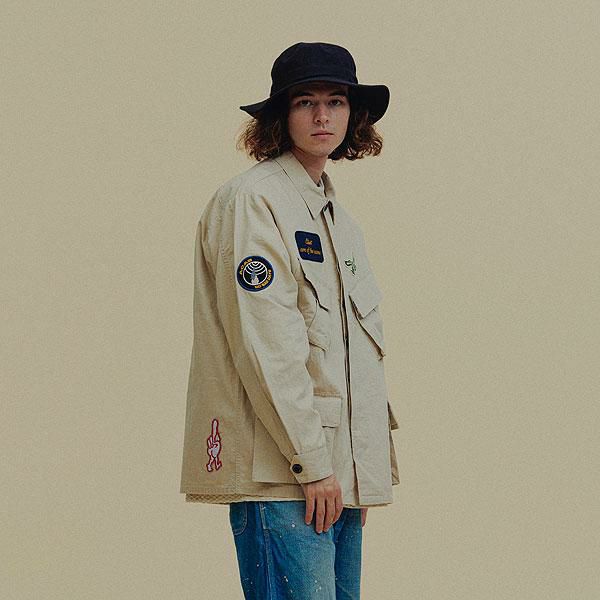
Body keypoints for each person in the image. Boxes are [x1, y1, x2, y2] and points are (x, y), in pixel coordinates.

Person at [179, 41, 400, 599]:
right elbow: (267, 346)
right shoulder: (254, 201)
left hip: (333, 479)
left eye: (336, 101)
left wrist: (355, 476)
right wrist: (314, 466)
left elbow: (348, 353)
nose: (323, 116)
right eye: (306, 102)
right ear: (282, 115)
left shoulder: (339, 220)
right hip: (284, 474)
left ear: (354, 115)